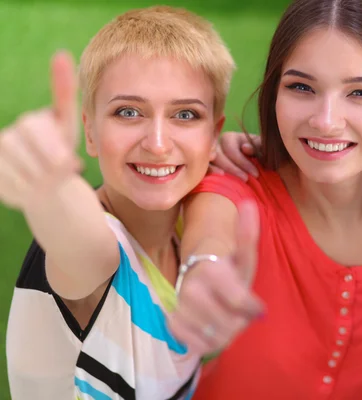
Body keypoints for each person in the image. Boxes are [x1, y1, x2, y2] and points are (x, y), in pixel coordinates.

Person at [169, 0, 362, 399]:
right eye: (301, 87)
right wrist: (204, 272)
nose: (326, 120)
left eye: (360, 92)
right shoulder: (241, 180)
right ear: (275, 92)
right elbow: (211, 234)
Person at [2, 6, 255, 399]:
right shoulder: (99, 253)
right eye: (128, 112)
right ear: (90, 130)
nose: (156, 143)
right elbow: (80, 238)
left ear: (213, 135)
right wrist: (48, 190)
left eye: (185, 114)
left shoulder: (187, 228)